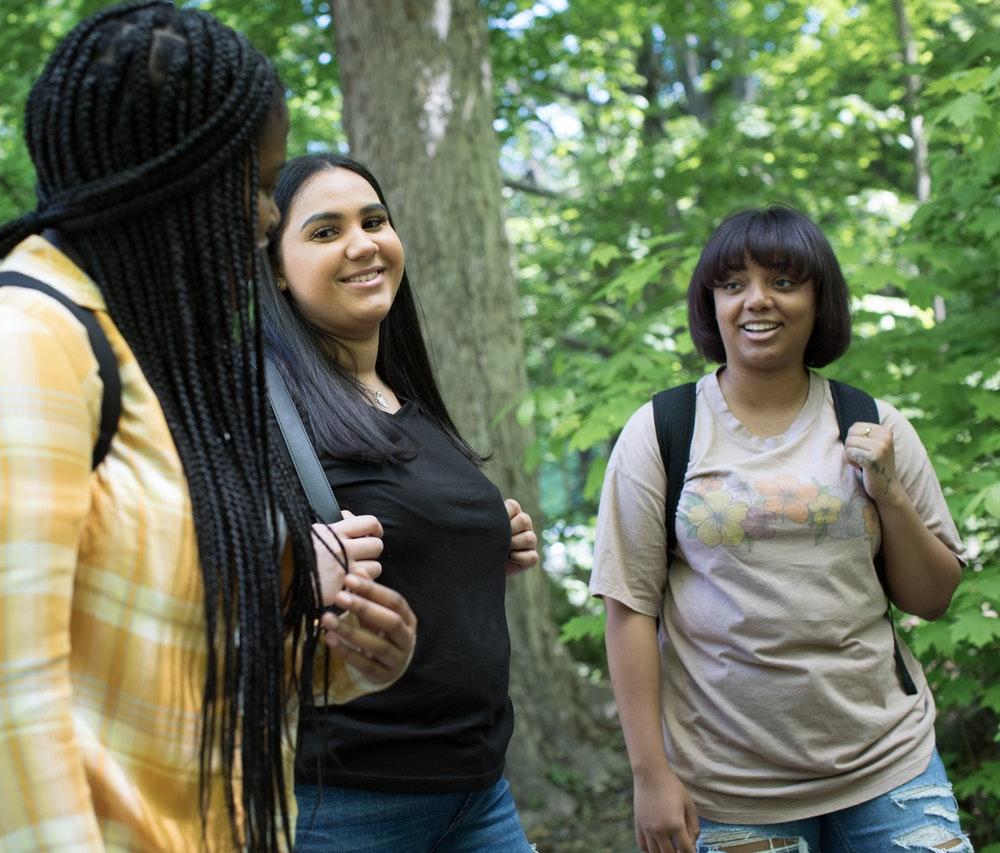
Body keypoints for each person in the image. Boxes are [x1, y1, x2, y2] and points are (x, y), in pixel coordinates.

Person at [0, 6, 416, 851]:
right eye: (253, 181)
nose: (267, 217)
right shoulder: (14, 346)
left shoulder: (149, 361)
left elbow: (157, 653)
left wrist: (338, 659)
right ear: (164, 179)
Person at [592, 206, 972, 852]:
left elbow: (933, 598)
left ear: (818, 298)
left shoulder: (874, 423)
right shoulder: (662, 431)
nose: (755, 301)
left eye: (782, 281)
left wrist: (890, 493)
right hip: (730, 786)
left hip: (890, 766)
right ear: (710, 302)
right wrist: (650, 773)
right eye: (733, 284)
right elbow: (630, 609)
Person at [262, 153, 539, 852]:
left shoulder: (407, 401)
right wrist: (290, 559)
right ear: (274, 270)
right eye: (325, 232)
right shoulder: (265, 408)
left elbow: (403, 539)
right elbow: (203, 565)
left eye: (374, 220)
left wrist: (479, 538)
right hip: (345, 806)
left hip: (480, 792)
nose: (362, 243)